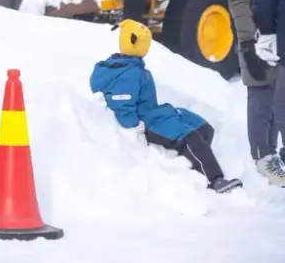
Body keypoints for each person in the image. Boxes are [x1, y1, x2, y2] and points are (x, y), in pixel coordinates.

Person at [90, 20, 242, 193]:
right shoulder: (127, 73)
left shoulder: (132, 66)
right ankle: (215, 180)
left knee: (204, 128)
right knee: (189, 136)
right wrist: (135, 127)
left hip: (157, 112)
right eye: (145, 43)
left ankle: (191, 166)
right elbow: (123, 105)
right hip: (148, 121)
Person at [227, 0, 284, 184]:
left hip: (272, 36)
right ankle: (261, 157)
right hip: (255, 38)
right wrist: (248, 43)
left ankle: (273, 155)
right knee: (260, 98)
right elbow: (238, 1)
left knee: (276, 97)